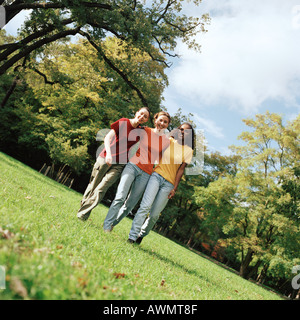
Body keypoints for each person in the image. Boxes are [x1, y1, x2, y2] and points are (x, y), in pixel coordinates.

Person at [77, 107, 150, 221]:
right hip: (106, 157)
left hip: (120, 164)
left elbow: (155, 133)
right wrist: (109, 155)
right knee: (93, 185)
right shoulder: (124, 122)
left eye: (145, 117)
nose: (142, 117)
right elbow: (107, 138)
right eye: (141, 114)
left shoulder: (141, 132)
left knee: (102, 188)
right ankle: (83, 206)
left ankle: (82, 215)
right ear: (136, 113)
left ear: (146, 120)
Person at [127, 122, 195, 244]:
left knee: (154, 215)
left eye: (186, 131)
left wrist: (175, 188)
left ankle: (141, 234)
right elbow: (155, 149)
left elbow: (181, 170)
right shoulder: (169, 140)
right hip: (156, 176)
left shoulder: (189, 150)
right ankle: (132, 237)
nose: (183, 132)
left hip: (169, 183)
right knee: (145, 206)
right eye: (181, 129)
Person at [103, 111, 171, 232]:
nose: (162, 123)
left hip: (146, 173)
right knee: (120, 197)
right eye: (160, 120)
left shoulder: (166, 141)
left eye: (165, 122)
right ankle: (106, 226)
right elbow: (129, 129)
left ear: (167, 125)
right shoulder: (145, 131)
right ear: (155, 120)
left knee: (129, 205)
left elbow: (161, 158)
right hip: (133, 166)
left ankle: (113, 223)